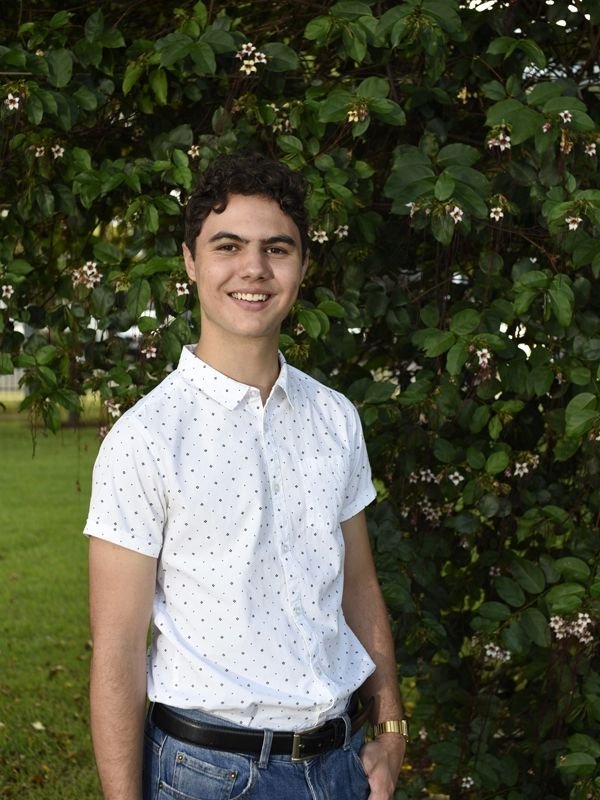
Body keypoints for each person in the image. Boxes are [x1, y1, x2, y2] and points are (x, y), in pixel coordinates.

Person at [85, 152, 407, 800]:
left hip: (341, 763)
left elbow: (360, 586)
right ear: (190, 261)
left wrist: (392, 724)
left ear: (303, 267)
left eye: (277, 249)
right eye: (228, 245)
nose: (253, 269)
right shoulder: (145, 441)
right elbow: (117, 650)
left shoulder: (336, 418)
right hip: (207, 774)